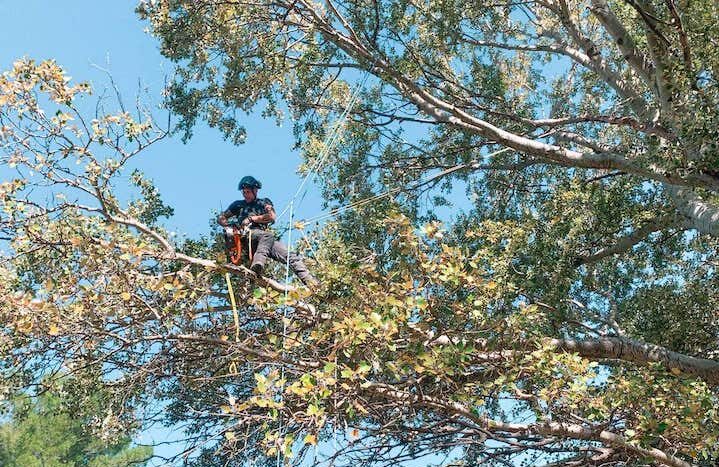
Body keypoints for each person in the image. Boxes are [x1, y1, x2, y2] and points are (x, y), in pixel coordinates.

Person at [217, 175, 319, 286]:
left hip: (264, 240)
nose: (246, 194)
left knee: (290, 256)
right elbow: (221, 218)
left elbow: (272, 216)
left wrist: (252, 218)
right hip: (248, 236)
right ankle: (257, 264)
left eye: (248, 192)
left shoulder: (263, 202)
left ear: (255, 190)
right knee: (267, 236)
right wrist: (230, 225)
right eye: (244, 192)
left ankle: (311, 283)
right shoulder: (238, 205)